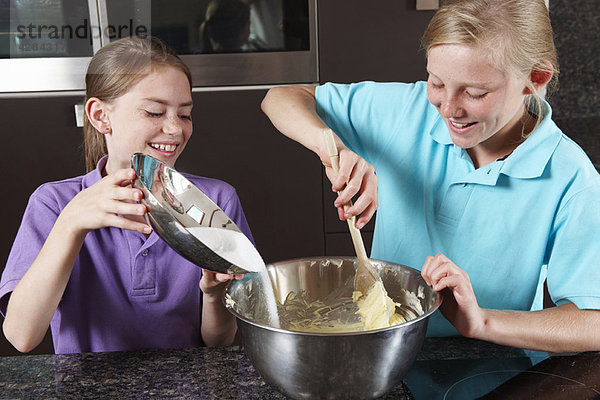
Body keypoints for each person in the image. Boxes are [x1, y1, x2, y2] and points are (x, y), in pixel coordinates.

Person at [261, 0, 600, 353]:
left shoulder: (571, 178)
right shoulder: (408, 112)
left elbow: (593, 321)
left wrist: (483, 321)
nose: (449, 110)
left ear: (535, 79)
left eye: (475, 92)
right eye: (436, 82)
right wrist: (333, 147)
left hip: (500, 362)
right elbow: (281, 97)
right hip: (388, 349)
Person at [0, 36, 252, 354]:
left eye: (185, 114)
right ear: (101, 116)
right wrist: (70, 224)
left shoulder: (217, 200)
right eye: (154, 112)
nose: (176, 129)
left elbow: (219, 342)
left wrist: (214, 295)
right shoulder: (53, 203)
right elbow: (22, 336)